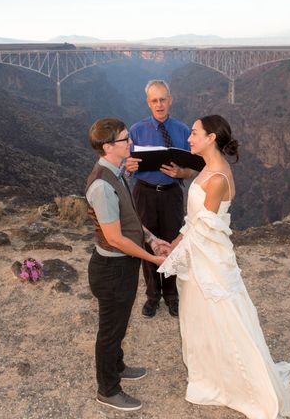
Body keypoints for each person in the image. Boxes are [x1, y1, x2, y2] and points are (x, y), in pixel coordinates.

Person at [158, 115, 290, 419]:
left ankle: (234, 381)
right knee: (200, 316)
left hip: (208, 260)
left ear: (211, 138)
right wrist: (173, 244)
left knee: (220, 316)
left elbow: (202, 230)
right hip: (200, 254)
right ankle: (210, 372)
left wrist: (171, 254)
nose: (189, 138)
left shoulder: (217, 179)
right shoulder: (207, 169)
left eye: (195, 133)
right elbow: (193, 223)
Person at [85, 118, 171, 412]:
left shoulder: (116, 173)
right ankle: (107, 389)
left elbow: (131, 219)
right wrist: (152, 259)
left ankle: (117, 366)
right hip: (112, 270)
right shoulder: (101, 185)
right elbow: (116, 239)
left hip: (121, 267)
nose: (130, 143)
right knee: (110, 330)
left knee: (119, 325)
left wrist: (153, 239)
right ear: (108, 147)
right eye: (124, 140)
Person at [125, 79, 196, 318]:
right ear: (148, 103)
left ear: (170, 100)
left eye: (163, 99)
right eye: (154, 100)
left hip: (171, 194)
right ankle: (153, 296)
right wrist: (128, 166)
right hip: (144, 193)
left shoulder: (183, 131)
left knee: (173, 243)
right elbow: (125, 168)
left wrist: (181, 173)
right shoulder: (135, 131)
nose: (159, 104)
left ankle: (172, 295)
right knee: (148, 243)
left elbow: (194, 169)